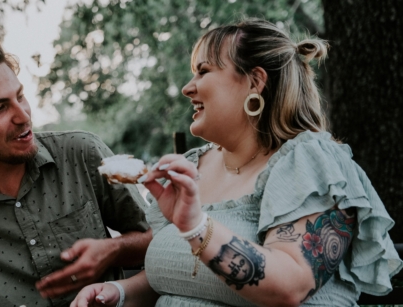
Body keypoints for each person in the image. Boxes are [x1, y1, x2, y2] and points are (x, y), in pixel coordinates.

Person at [70, 18, 403, 307]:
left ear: (255, 81)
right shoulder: (192, 167)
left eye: (203, 71)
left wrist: (196, 227)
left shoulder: (312, 162)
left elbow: (289, 287)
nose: (188, 88)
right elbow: (173, 276)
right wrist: (118, 292)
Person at [0, 37, 152, 307]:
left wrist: (112, 250)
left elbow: (163, 241)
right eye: (0, 108)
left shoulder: (84, 152)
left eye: (20, 96)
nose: (23, 115)